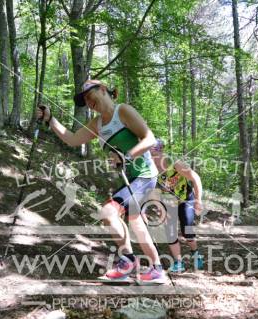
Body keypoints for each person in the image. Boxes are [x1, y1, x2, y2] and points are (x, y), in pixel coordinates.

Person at [37, 79, 166, 283]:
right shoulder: (97, 124)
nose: (88, 102)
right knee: (135, 222)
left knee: (108, 211)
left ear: (103, 90)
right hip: (131, 178)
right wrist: (50, 119)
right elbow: (72, 139)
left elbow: (150, 139)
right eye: (85, 100)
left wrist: (127, 156)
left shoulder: (122, 111)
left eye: (90, 96)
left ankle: (127, 262)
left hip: (145, 175)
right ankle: (157, 269)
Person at [149, 139, 204, 272]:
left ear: (160, 149)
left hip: (186, 199)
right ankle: (178, 262)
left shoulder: (175, 163)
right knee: (171, 232)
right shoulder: (148, 166)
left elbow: (195, 178)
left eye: (152, 149)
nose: (149, 152)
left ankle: (195, 253)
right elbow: (152, 188)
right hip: (168, 201)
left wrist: (198, 200)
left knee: (187, 231)